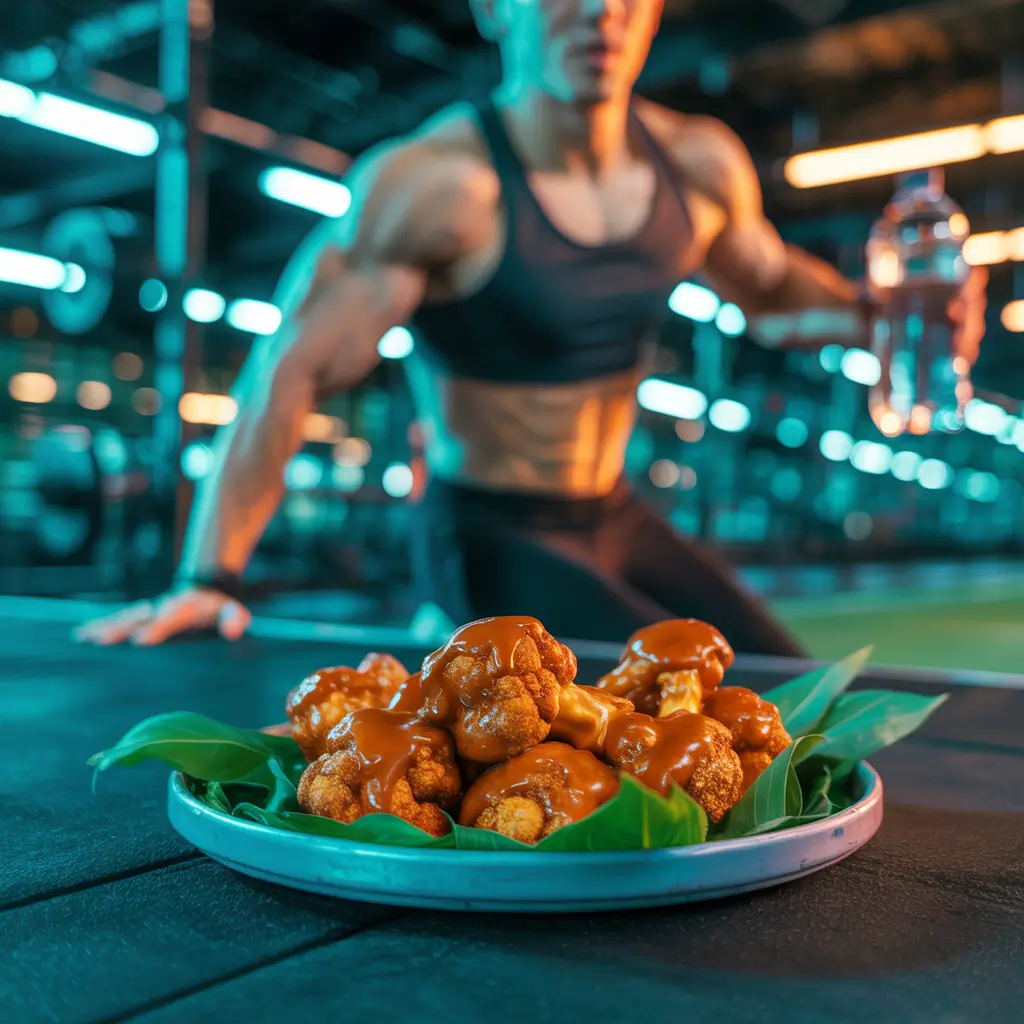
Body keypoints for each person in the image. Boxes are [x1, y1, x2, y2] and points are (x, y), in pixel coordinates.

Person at [75, 0, 986, 653]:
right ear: (492, 10)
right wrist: (210, 578)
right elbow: (292, 367)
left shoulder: (700, 166)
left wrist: (890, 317)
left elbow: (778, 292)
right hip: (486, 530)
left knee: (792, 690)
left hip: (615, 512)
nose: (601, 14)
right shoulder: (436, 186)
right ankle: (450, 627)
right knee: (680, 717)